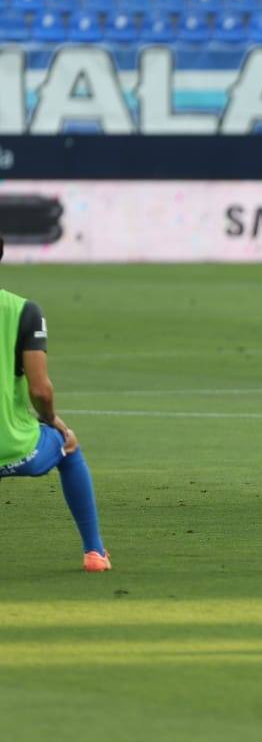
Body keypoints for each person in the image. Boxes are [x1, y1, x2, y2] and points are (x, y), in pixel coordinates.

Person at [0, 238, 110, 572]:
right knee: (69, 446)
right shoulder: (23, 311)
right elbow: (41, 390)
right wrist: (52, 421)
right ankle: (95, 553)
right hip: (15, 446)